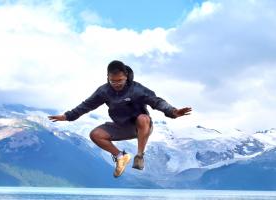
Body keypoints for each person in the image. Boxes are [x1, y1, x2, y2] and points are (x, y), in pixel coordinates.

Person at [48, 60, 191, 177]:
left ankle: (139, 156)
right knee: (95, 134)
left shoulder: (137, 89)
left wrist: (173, 111)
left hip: (141, 127)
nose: (116, 84)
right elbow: (87, 105)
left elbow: (157, 101)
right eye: (113, 81)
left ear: (127, 77)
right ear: (108, 78)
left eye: (120, 81)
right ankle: (120, 157)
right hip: (121, 126)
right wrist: (67, 116)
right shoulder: (104, 91)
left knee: (143, 118)